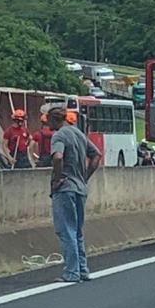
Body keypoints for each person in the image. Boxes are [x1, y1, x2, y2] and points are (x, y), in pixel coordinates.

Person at [48, 107, 101, 283]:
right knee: (77, 231)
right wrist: (85, 177)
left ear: (54, 120)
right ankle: (82, 269)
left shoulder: (59, 136)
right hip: (80, 187)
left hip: (65, 188)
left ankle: (72, 272)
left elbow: (57, 157)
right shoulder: (78, 133)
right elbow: (96, 155)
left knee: (66, 230)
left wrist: (57, 179)